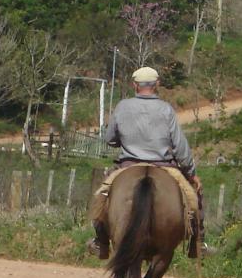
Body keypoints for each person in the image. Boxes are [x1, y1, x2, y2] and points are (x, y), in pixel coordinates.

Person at [86, 66, 205, 260]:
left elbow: (109, 138)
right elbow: (180, 147)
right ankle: (197, 243)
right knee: (194, 197)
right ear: (157, 85)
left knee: (102, 196)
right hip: (164, 166)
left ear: (134, 85)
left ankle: (101, 242)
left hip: (128, 164)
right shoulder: (166, 109)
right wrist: (191, 172)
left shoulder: (123, 107)